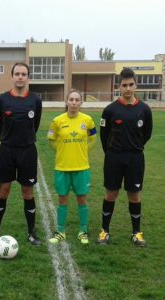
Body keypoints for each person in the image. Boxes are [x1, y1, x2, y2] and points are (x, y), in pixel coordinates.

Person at [0, 62, 42, 246]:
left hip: (27, 151)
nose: (20, 77)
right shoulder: (2, 100)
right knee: (4, 190)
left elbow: (35, 125)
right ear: (12, 76)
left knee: (27, 191)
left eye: (23, 74)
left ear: (28, 77)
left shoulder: (35, 100)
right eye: (17, 73)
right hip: (7, 151)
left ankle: (31, 232)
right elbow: (0, 125)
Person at [98, 68, 153, 247]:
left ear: (135, 85)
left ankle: (136, 233)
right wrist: (112, 152)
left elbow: (147, 133)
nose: (128, 88)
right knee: (111, 194)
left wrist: (134, 147)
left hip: (135, 158)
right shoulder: (110, 110)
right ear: (118, 87)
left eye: (131, 85)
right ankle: (104, 231)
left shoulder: (144, 110)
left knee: (134, 195)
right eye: (124, 85)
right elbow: (103, 135)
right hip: (114, 157)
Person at [47, 90, 97, 245]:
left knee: (82, 198)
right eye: (71, 99)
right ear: (66, 101)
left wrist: (82, 151)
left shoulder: (88, 120)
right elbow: (51, 139)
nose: (74, 102)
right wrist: (62, 151)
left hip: (81, 167)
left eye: (77, 100)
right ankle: (60, 231)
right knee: (62, 199)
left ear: (81, 103)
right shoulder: (57, 121)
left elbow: (93, 138)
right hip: (62, 167)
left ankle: (83, 231)